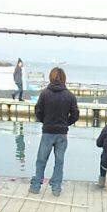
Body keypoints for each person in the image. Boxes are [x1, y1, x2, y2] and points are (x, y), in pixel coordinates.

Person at [29, 67, 79, 197]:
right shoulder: (70, 95)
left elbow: (38, 111)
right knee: (59, 161)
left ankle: (36, 186)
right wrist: (65, 123)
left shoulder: (45, 93)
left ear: (50, 78)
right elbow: (75, 115)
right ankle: (56, 188)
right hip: (62, 133)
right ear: (64, 79)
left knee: (41, 160)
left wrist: (45, 121)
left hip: (48, 131)